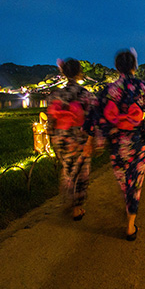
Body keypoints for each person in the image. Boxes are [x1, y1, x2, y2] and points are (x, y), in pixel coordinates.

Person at [96, 49, 145, 241]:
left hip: (116, 145)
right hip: (136, 145)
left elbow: (99, 116)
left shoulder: (109, 90)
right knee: (135, 183)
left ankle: (128, 204)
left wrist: (99, 139)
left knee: (123, 181)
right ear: (135, 66)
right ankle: (130, 225)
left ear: (117, 67)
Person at [46, 58, 98, 221]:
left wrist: (51, 138)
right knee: (82, 172)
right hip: (80, 137)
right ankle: (77, 207)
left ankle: (68, 195)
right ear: (79, 73)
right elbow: (93, 120)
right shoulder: (85, 95)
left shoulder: (56, 95)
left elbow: (51, 120)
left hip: (61, 137)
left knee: (68, 167)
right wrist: (92, 140)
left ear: (63, 73)